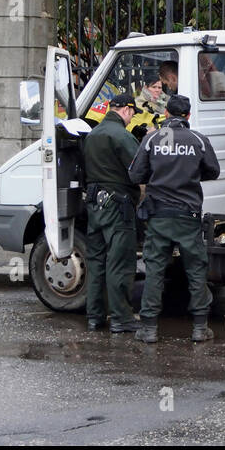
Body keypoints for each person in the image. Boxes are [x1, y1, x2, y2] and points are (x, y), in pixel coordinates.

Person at [127, 93, 220, 343]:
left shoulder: (151, 139)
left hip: (158, 216)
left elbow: (135, 175)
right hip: (188, 216)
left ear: (166, 113)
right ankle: (200, 328)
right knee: (196, 270)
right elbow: (214, 171)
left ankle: (148, 329)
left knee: (155, 270)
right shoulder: (199, 140)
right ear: (188, 115)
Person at [81, 92, 141, 333]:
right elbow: (138, 170)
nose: (131, 119)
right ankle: (121, 318)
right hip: (117, 206)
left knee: (96, 262)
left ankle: (94, 316)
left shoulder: (92, 135)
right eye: (132, 114)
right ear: (126, 110)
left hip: (94, 205)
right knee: (120, 262)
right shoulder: (122, 136)